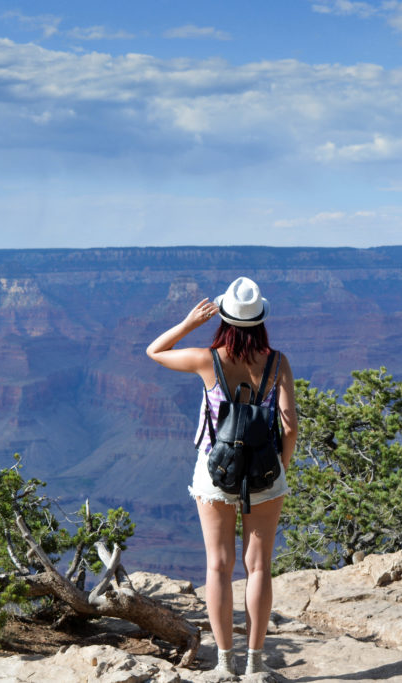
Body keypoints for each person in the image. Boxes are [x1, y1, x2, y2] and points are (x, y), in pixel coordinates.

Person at [146, 276, 297, 676]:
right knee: (259, 566)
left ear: (226, 320)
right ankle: (255, 665)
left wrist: (190, 322)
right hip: (265, 471)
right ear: (260, 320)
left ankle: (225, 665)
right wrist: (279, 467)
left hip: (215, 472)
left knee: (218, 565)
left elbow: (155, 351)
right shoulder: (278, 362)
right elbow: (290, 425)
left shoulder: (206, 359)